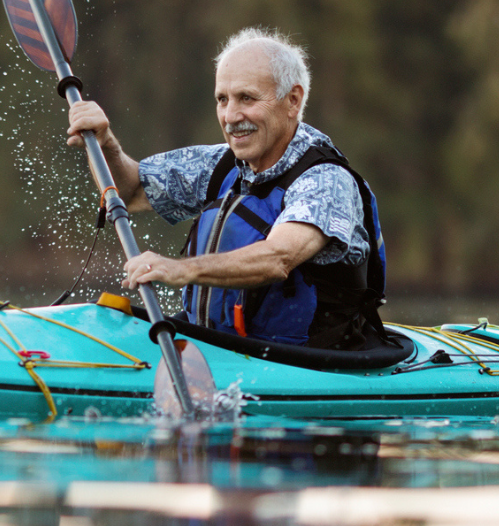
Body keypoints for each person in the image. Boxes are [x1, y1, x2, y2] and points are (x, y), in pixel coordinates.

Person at [66, 27, 386, 349]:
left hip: (308, 361)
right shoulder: (220, 166)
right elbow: (129, 191)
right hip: (218, 347)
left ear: (293, 100)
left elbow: (278, 258)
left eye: (246, 98)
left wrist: (180, 269)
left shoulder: (326, 180)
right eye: (222, 99)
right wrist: (106, 143)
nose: (231, 116)